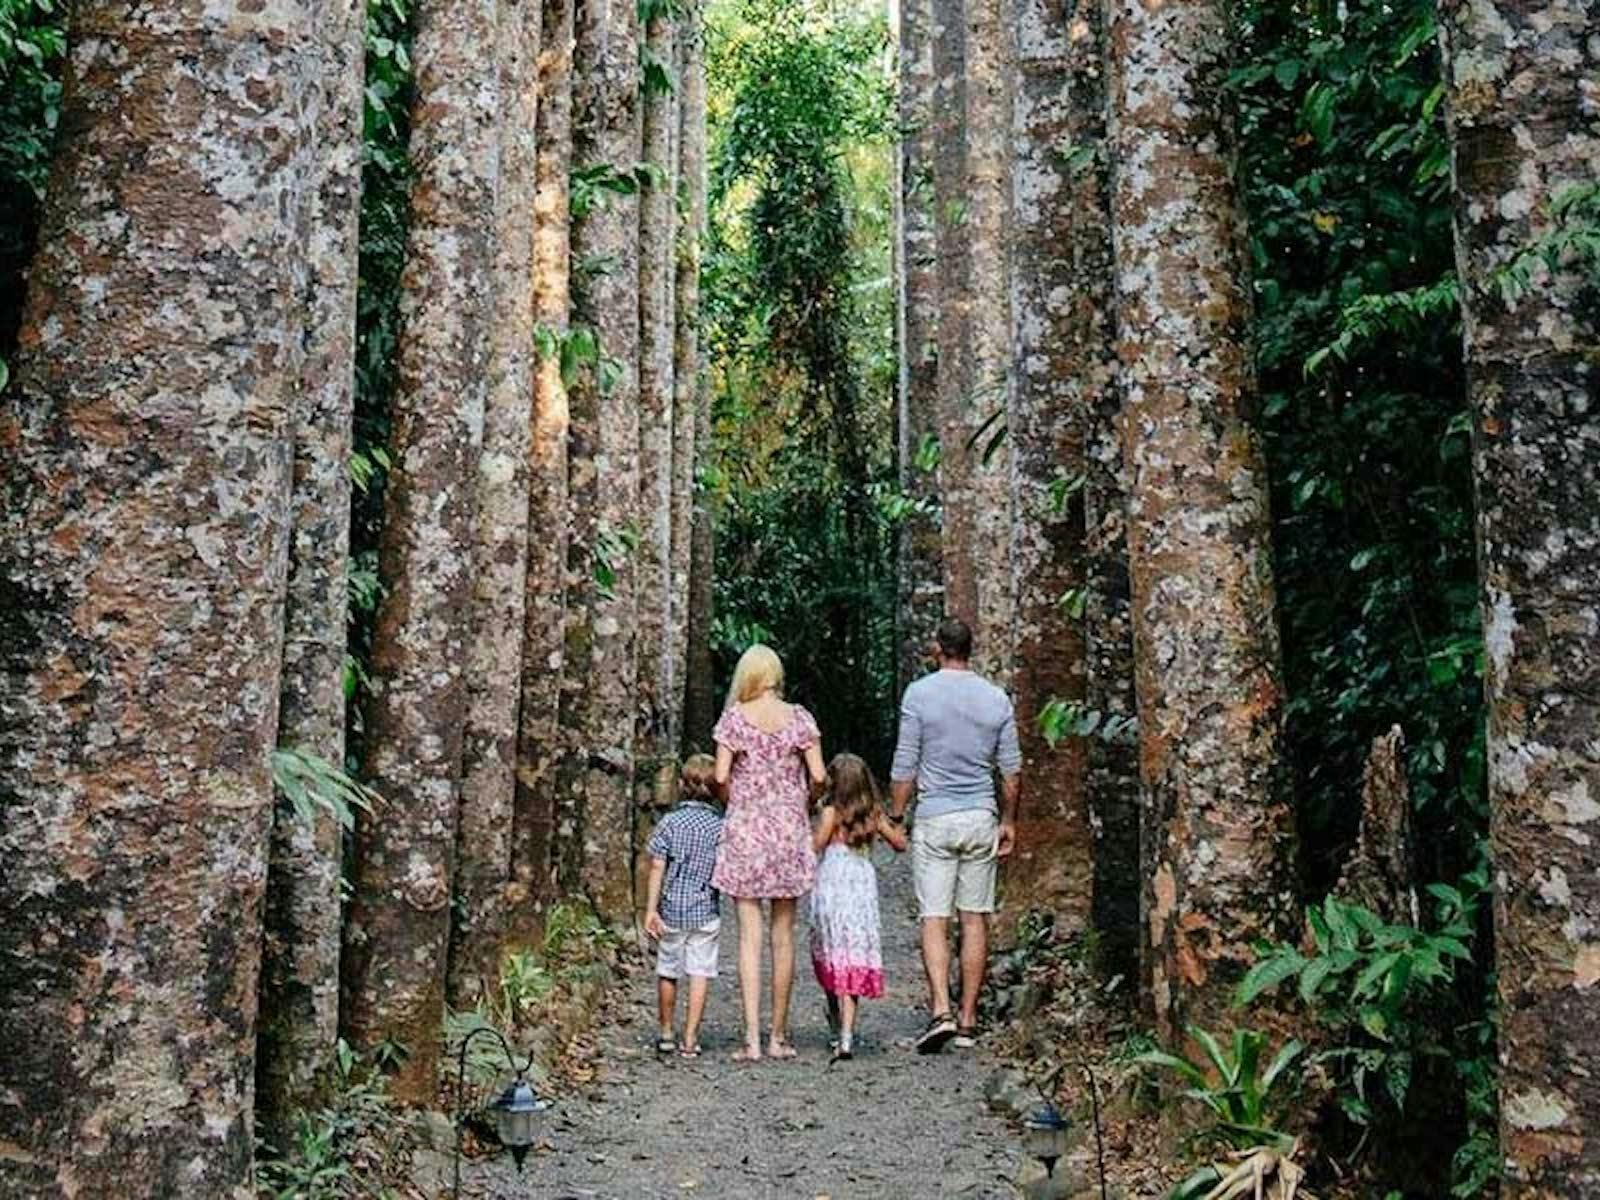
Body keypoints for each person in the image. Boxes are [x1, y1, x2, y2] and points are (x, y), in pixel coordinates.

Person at [888, 616, 1021, 1054]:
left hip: (936, 818)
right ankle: (967, 1019)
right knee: (974, 917)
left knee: (934, 917)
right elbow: (1010, 769)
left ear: (936, 648)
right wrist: (1008, 820)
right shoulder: (995, 698)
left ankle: (941, 1009)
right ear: (971, 649)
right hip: (980, 815)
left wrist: (897, 812)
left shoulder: (920, 695)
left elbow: (906, 763)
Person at [711, 643, 827, 1062]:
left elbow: (720, 774)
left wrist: (735, 800)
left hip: (746, 830)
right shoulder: (799, 719)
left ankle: (752, 1039)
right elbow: (818, 774)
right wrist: (803, 801)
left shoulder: (735, 720)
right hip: (788, 830)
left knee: (748, 936)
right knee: (783, 934)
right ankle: (779, 1035)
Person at [809, 753, 907, 1062]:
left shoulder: (830, 813)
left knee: (830, 950)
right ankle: (847, 1036)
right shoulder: (874, 814)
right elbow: (900, 844)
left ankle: (835, 1018)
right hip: (860, 886)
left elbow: (816, 846)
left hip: (832, 884)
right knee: (851, 954)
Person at [643, 754, 724, 1059]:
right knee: (700, 972)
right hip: (706, 908)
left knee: (668, 970)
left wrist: (651, 909)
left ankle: (666, 1032)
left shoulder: (670, 822)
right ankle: (691, 1037)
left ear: (680, 785)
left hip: (672, 908)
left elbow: (656, 866)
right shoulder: (720, 826)